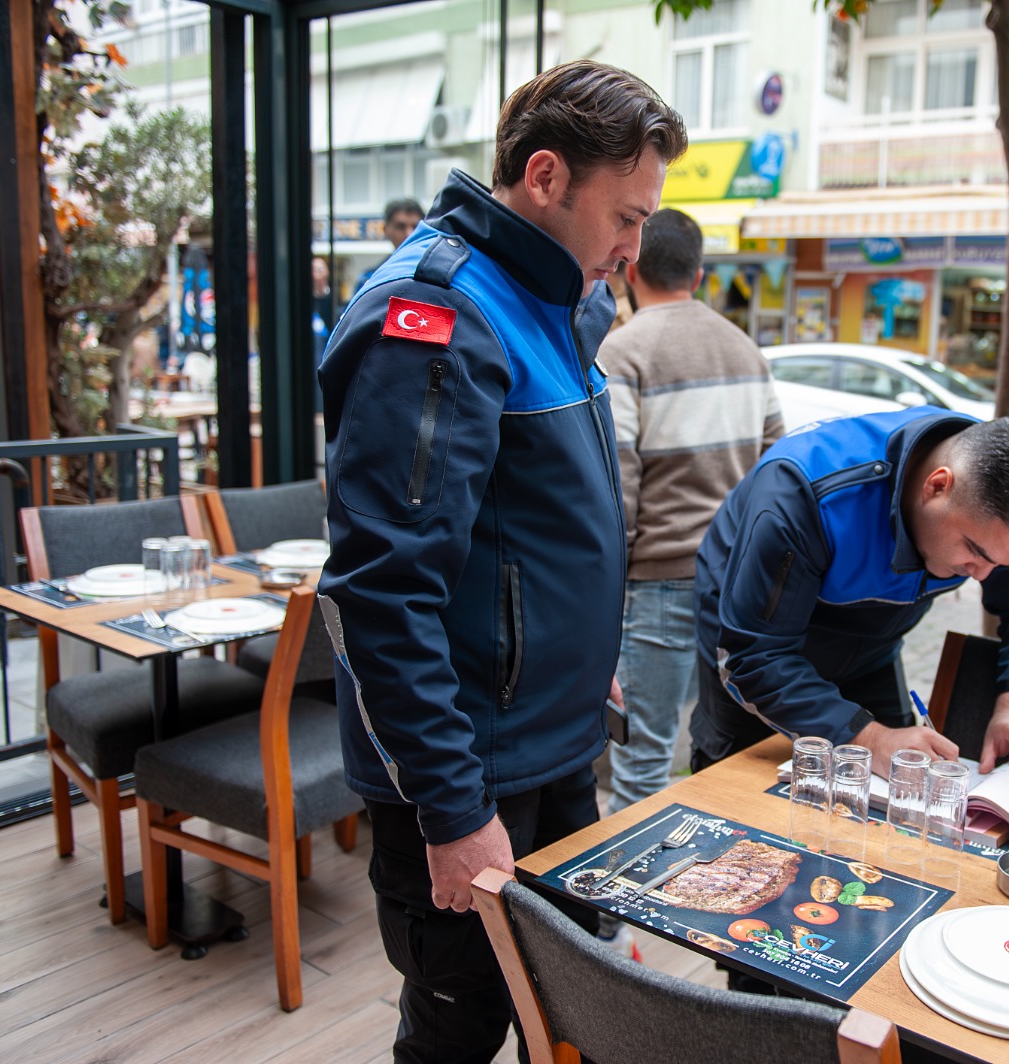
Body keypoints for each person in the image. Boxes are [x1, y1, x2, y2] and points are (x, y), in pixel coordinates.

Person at [317, 60, 686, 1064]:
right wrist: (451, 808)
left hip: (549, 743)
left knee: (570, 1016)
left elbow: (530, 529)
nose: (634, 248)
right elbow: (378, 593)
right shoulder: (437, 316)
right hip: (471, 770)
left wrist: (577, 660)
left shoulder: (551, 298)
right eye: (626, 216)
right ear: (546, 176)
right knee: (460, 1026)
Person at [691, 409, 1009, 787]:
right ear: (937, 486)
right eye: (974, 552)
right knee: (742, 802)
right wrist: (870, 739)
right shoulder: (805, 491)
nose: (982, 576)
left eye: (1002, 564)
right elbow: (754, 654)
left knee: (898, 793)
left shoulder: (1008, 497)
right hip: (757, 652)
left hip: (872, 654)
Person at [600, 208, 783, 815]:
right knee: (728, 752)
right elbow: (777, 471)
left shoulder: (622, 351)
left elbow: (618, 482)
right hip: (734, 584)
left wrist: (608, 585)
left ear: (630, 270)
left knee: (642, 761)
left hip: (657, 583)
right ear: (699, 275)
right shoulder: (746, 350)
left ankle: (629, 881)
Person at [356, 198, 426, 293]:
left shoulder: (439, 274)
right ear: (385, 230)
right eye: (401, 227)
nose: (409, 233)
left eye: (416, 227)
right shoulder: (370, 279)